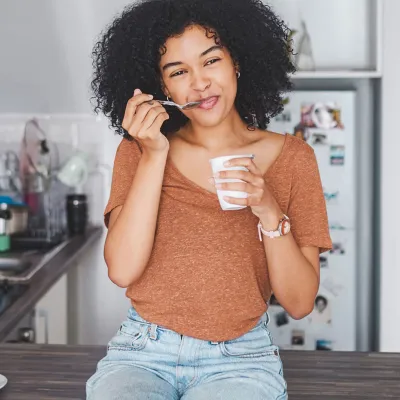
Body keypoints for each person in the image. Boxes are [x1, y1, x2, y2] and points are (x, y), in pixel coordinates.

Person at [86, 0, 332, 398]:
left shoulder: (294, 159)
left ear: (237, 61)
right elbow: (123, 270)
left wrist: (268, 208)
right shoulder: (138, 151)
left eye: (211, 60)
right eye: (179, 72)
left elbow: (301, 302)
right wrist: (153, 155)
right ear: (164, 88)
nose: (199, 83)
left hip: (241, 359)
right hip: (142, 352)